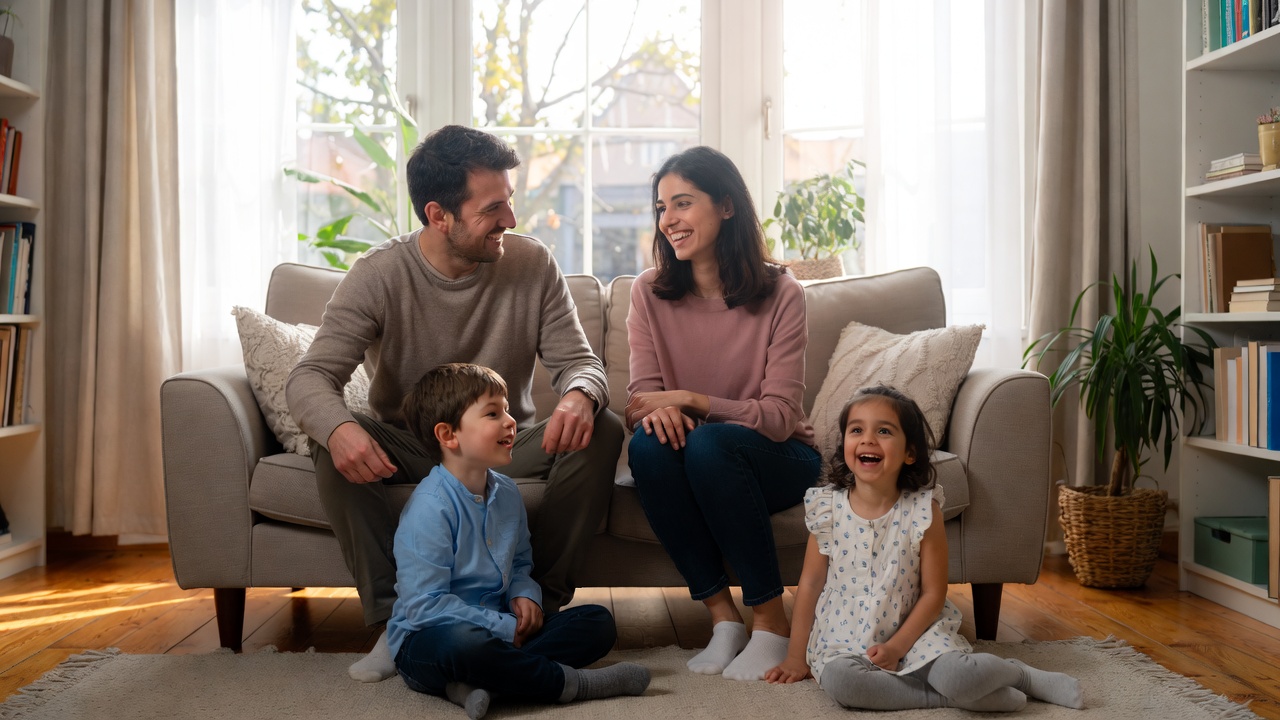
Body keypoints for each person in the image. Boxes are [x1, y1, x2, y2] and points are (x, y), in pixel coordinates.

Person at [286, 124, 624, 683]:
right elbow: (310, 378)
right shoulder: (378, 274)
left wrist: (580, 395)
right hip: (409, 446)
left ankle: (536, 609)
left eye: (509, 201)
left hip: (501, 446)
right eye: (493, 208)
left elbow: (581, 363)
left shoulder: (531, 262)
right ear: (439, 214)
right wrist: (340, 430)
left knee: (603, 426)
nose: (510, 219)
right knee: (331, 439)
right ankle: (394, 624)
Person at [625, 146, 823, 682]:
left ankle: (770, 623)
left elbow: (779, 418)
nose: (669, 219)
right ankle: (723, 619)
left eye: (683, 203)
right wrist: (658, 413)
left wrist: (692, 400)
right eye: (661, 207)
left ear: (727, 206)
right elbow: (642, 402)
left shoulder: (782, 292)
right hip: (698, 457)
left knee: (709, 442)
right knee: (648, 446)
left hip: (780, 457)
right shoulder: (648, 292)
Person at [764, 385, 1085, 711]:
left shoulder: (923, 510)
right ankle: (955, 700)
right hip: (843, 638)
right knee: (843, 683)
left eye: (884, 431)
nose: (868, 439)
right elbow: (810, 584)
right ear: (844, 443)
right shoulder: (828, 509)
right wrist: (795, 656)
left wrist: (897, 647)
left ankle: (1020, 676)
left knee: (960, 676)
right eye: (856, 430)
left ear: (910, 453)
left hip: (917, 633)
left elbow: (934, 593)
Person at [389, 364, 648, 719]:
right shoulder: (429, 508)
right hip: (431, 639)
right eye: (493, 413)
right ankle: (573, 684)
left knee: (597, 622)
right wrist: (504, 627)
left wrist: (523, 594)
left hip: (501, 630)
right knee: (464, 644)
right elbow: (425, 608)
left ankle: (484, 685)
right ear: (448, 435)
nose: (511, 421)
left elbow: (521, 562)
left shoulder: (508, 493)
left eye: (507, 410)